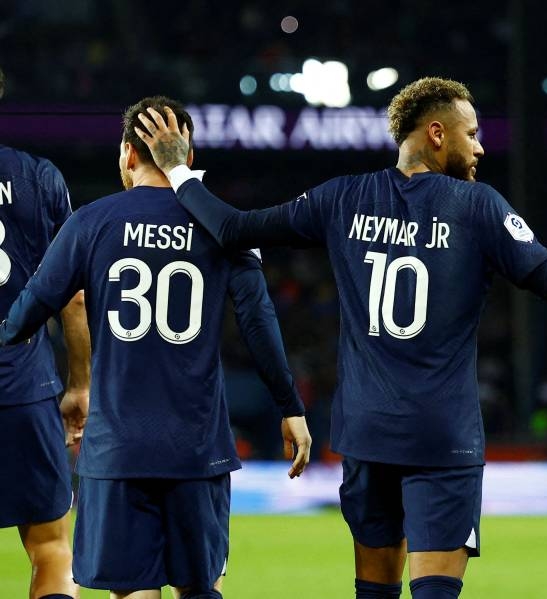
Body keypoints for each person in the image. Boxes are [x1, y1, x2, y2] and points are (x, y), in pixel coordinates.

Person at [134, 77, 547, 599]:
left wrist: (177, 169)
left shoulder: (342, 197)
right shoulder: (477, 205)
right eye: (472, 134)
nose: (480, 148)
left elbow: (234, 229)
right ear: (436, 133)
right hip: (443, 437)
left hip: (366, 434)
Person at [0, 96, 313, 599]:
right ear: (188, 156)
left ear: (127, 153)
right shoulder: (225, 226)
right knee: (199, 588)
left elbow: (24, 316)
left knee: (132, 591)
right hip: (197, 449)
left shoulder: (91, 222)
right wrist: (290, 407)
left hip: (116, 450)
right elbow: (259, 323)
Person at [0, 66, 91, 599]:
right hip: (23, 389)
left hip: (25, 388)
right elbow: (73, 295)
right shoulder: (38, 177)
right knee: (52, 548)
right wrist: (80, 384)